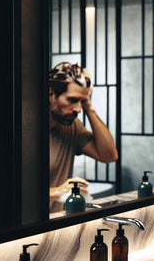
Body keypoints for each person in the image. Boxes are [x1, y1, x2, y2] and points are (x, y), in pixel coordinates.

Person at [48, 62, 118, 212]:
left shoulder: (73, 127)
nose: (78, 109)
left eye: (82, 102)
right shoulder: (25, 132)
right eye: (72, 100)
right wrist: (58, 191)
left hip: (55, 224)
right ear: (51, 94)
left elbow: (109, 156)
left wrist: (89, 108)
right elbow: (7, 187)